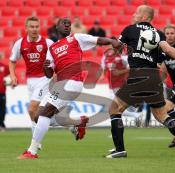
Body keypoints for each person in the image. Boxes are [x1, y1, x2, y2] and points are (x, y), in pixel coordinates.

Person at [105, 5, 175, 159]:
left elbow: (116, 46)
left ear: (144, 17)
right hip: (153, 78)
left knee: (114, 110)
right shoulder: (159, 34)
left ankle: (120, 150)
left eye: (137, 13)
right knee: (162, 115)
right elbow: (168, 51)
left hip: (138, 75)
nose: (134, 14)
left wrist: (115, 46)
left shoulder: (130, 29)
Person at [18, 17, 122, 159]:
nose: (67, 25)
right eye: (64, 23)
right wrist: (46, 67)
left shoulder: (76, 38)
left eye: (69, 24)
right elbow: (49, 74)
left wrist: (112, 41)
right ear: (57, 27)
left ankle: (32, 151)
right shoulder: (52, 48)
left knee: (43, 114)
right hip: (60, 84)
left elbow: (97, 40)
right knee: (38, 116)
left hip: (72, 82)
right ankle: (79, 122)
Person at [9, 16, 54, 145]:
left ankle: (35, 143)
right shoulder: (20, 43)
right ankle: (73, 125)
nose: (34, 29)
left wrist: (56, 73)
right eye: (32, 27)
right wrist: (13, 76)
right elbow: (12, 61)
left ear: (39, 27)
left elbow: (57, 59)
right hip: (30, 82)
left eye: (36, 26)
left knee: (31, 109)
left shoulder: (48, 43)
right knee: (38, 114)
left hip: (45, 78)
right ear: (26, 28)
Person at [0, 55, 9, 131]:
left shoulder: (4, 66)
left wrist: (10, 82)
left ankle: (2, 125)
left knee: (2, 109)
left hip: (2, 91)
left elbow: (9, 77)